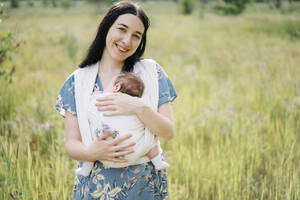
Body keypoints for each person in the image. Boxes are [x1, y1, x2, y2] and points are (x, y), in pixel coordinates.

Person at [55, 1, 177, 199]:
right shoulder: (77, 81)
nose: (127, 41)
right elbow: (72, 143)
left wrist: (139, 107)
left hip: (143, 185)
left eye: (136, 36)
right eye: (122, 29)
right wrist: (91, 153)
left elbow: (168, 133)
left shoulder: (152, 74)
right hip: (95, 186)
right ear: (106, 28)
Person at [76, 72, 169, 177]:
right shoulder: (140, 103)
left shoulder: (102, 99)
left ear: (116, 87)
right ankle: (158, 162)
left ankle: (86, 168)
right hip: (134, 151)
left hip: (103, 153)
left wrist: (96, 95)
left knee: (88, 140)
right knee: (151, 141)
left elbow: (89, 111)